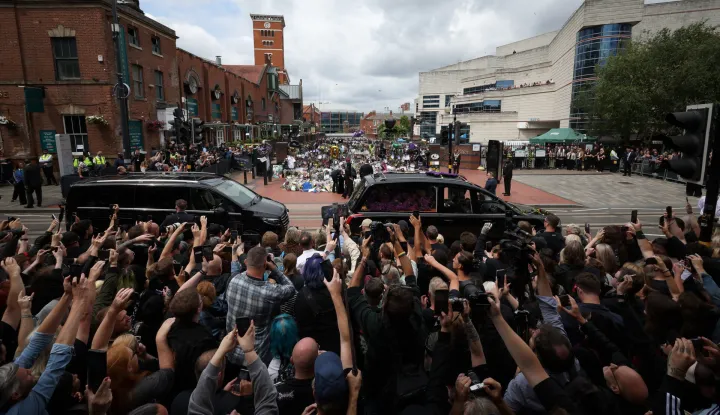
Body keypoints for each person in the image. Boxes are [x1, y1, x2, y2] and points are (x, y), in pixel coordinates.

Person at [225, 246, 296, 366]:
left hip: (230, 351)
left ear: (246, 262)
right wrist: (275, 269)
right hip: (255, 357)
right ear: (265, 265)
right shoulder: (269, 292)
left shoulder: (233, 281)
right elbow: (291, 289)